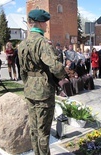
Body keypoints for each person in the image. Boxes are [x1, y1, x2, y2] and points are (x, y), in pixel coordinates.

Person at [17, 9, 65, 155]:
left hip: (30, 89)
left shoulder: (23, 43)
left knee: (34, 129)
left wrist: (28, 83)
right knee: (43, 131)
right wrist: (62, 75)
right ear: (40, 23)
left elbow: (22, 71)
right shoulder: (41, 42)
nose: (47, 26)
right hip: (43, 91)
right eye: (46, 23)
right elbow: (56, 67)